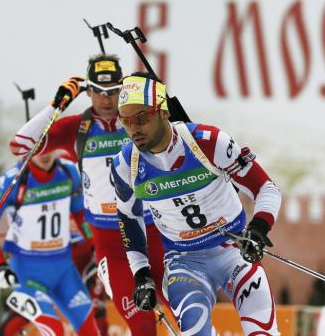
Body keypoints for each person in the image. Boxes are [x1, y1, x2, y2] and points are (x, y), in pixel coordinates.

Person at [111, 73, 281, 335]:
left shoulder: (208, 142)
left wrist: (258, 228)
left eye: (141, 118)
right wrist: (141, 274)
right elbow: (128, 219)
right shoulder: (126, 165)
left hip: (233, 251)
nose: (133, 129)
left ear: (163, 112)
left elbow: (266, 188)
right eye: (125, 121)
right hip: (184, 261)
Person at [10, 54, 166, 335]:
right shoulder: (76, 129)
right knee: (141, 323)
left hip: (153, 233)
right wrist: (56, 106)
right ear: (88, 91)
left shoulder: (139, 121)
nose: (107, 100)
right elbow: (20, 146)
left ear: (123, 90)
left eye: (114, 92)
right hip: (111, 245)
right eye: (99, 91)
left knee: (186, 310)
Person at [0, 152, 100, 335]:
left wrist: (95, 245)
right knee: (53, 329)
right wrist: (0, 265)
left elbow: (80, 213)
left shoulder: (69, 172)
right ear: (28, 149)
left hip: (64, 271)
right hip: (28, 273)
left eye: (49, 147)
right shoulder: (11, 180)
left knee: (90, 329)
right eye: (38, 149)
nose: (44, 155)